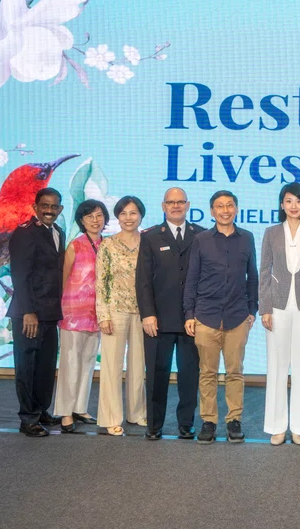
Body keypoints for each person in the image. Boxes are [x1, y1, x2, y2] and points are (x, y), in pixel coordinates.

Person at [184, 190, 258, 445]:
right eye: (219, 206)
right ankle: (208, 421)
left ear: (236, 209)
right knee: (207, 373)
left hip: (238, 317)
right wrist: (189, 313)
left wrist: (253, 310)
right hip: (206, 316)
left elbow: (253, 276)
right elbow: (192, 278)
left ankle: (233, 420)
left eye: (229, 205)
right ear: (212, 211)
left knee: (235, 372)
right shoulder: (201, 239)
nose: (225, 210)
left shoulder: (247, 238)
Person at [258, 183, 300, 445]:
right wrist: (264, 307)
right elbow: (264, 271)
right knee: (276, 366)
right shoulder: (271, 232)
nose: (294, 206)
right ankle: (276, 426)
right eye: (288, 201)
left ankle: (299, 426)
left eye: (298, 201)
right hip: (276, 305)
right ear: (281, 204)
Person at [135, 187, 205, 441]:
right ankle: (154, 425)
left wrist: (198, 313)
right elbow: (142, 280)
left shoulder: (201, 235)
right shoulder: (151, 236)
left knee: (189, 376)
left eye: (180, 202)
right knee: (156, 373)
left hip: (191, 320)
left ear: (188, 204)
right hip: (158, 320)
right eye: (170, 202)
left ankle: (186, 424)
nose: (176, 206)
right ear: (163, 206)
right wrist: (147, 314)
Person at [7, 187, 66, 437]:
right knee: (27, 367)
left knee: (45, 366)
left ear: (60, 209)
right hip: (28, 314)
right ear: (35, 207)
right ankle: (27, 418)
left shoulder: (58, 233)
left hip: (50, 312)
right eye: (45, 206)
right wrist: (28, 311)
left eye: (54, 207)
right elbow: (19, 275)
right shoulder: (24, 234)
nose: (49, 211)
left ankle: (41, 411)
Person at [55, 199, 109, 433]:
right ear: (81, 220)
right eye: (89, 217)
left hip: (97, 313)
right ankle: (65, 411)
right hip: (72, 313)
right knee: (70, 362)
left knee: (88, 361)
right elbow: (63, 279)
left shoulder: (109, 246)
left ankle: (80, 407)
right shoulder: (74, 246)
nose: (95, 220)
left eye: (99, 215)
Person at [95, 195, 148, 436]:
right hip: (114, 311)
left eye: (133, 213)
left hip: (143, 313)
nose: (129, 218)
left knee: (138, 366)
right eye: (124, 213)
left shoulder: (149, 241)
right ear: (117, 216)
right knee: (111, 367)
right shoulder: (108, 245)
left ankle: (137, 413)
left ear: (141, 215)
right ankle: (110, 417)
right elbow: (101, 282)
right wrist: (103, 315)